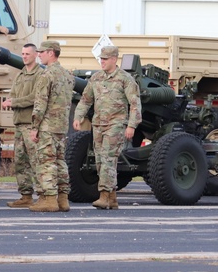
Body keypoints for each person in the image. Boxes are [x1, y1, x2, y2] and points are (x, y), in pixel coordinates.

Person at [72, 45, 142, 209]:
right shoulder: (96, 78)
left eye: (105, 59)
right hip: (98, 125)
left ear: (114, 59)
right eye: (101, 59)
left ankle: (104, 195)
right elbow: (86, 100)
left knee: (108, 159)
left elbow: (135, 105)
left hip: (116, 125)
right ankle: (112, 198)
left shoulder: (125, 79)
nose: (102, 62)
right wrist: (78, 116)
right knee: (100, 161)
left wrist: (131, 126)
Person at [29, 40, 75, 212]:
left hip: (47, 126)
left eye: (41, 52)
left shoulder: (46, 75)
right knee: (60, 162)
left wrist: (34, 127)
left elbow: (40, 104)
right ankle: (63, 199)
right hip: (61, 126)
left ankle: (48, 200)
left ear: (50, 53)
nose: (38, 55)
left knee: (46, 162)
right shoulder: (67, 75)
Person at [1, 43, 43, 208]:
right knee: (20, 161)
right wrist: (10, 101)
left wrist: (15, 102)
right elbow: (13, 94)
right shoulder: (20, 75)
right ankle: (25, 195)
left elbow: (36, 97)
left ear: (35, 55)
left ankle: (43, 196)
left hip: (31, 123)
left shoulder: (40, 74)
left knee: (35, 161)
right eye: (23, 53)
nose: (24, 56)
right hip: (19, 123)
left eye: (27, 54)